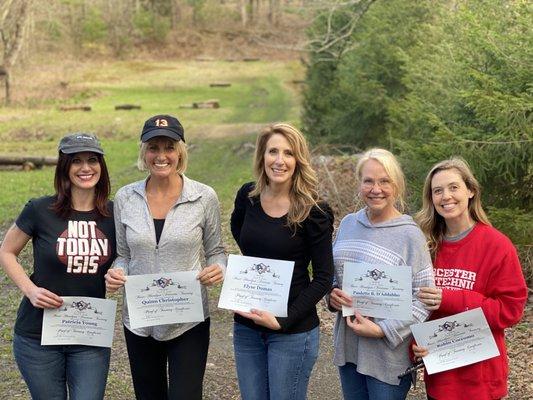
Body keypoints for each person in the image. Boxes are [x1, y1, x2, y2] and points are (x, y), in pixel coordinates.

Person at [104, 114, 226, 400]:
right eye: (153, 147)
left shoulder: (203, 197)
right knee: (149, 395)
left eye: (169, 147)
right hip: (140, 318)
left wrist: (218, 268)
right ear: (144, 152)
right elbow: (123, 254)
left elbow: (216, 251)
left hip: (188, 319)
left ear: (180, 151)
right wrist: (116, 272)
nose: (161, 156)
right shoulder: (125, 198)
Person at [0, 133, 116, 400]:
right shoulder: (40, 209)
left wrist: (120, 272)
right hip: (37, 336)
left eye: (92, 160)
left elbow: (127, 258)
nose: (85, 168)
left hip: (89, 336)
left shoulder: (114, 214)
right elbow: (7, 252)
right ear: (64, 167)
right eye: (76, 161)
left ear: (101, 166)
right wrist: (31, 291)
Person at [230, 123, 334, 400]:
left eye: (288, 153)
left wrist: (282, 319)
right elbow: (239, 233)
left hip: (292, 332)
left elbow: (324, 276)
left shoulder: (314, 210)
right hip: (247, 326)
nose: (279, 160)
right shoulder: (248, 197)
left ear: (298, 160)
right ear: (262, 156)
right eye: (272, 151)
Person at [412, 157, 527, 400]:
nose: (446, 197)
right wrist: (415, 343)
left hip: (481, 383)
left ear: (471, 190)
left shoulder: (497, 245)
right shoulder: (425, 246)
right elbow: (415, 307)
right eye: (438, 191)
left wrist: (450, 298)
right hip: (441, 380)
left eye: (454, 187)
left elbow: (510, 310)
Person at [328, 148, 434, 400]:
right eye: (369, 181)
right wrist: (332, 297)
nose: (376, 189)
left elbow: (424, 300)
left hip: (387, 356)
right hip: (349, 348)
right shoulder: (347, 224)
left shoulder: (410, 235)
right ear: (359, 184)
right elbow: (335, 279)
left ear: (396, 185)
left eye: (384, 181)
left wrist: (382, 330)